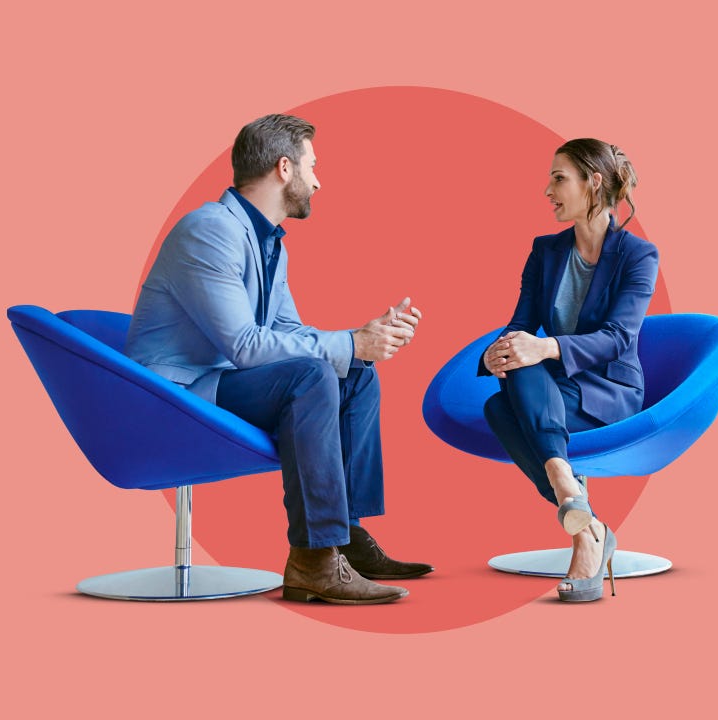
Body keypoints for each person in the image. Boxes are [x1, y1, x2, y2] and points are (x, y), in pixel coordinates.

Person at [125, 114, 433, 605]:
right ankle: (314, 559)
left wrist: (361, 340)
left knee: (355, 375)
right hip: (172, 397)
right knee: (314, 374)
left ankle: (345, 537)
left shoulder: (269, 244)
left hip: (219, 383)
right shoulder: (209, 230)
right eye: (313, 166)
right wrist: (351, 342)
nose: (318, 181)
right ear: (284, 168)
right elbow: (246, 345)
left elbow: (287, 332)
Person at [479, 139, 657, 602]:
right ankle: (585, 524)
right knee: (513, 368)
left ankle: (576, 510)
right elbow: (519, 324)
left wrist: (544, 347)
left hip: (609, 391)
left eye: (559, 179)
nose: (547, 190)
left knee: (505, 403)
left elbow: (618, 337)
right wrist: (494, 354)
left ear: (593, 183)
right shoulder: (545, 251)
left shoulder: (638, 255)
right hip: (555, 388)